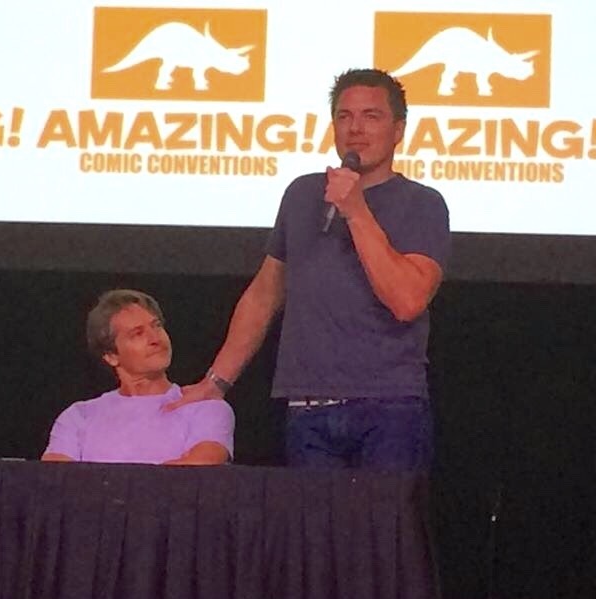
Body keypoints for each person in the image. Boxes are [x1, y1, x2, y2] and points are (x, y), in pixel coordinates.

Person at [167, 68, 451, 471]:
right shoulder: (303, 193)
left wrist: (356, 211)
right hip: (307, 408)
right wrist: (216, 382)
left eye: (371, 116)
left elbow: (407, 301)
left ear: (399, 130)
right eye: (344, 116)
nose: (355, 129)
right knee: (311, 516)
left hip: (389, 407)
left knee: (384, 515)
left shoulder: (422, 203)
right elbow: (265, 294)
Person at [41, 289, 234, 465]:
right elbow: (56, 479)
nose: (155, 339)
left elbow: (200, 470)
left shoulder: (205, 407)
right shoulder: (78, 417)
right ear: (111, 356)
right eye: (137, 334)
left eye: (157, 326)